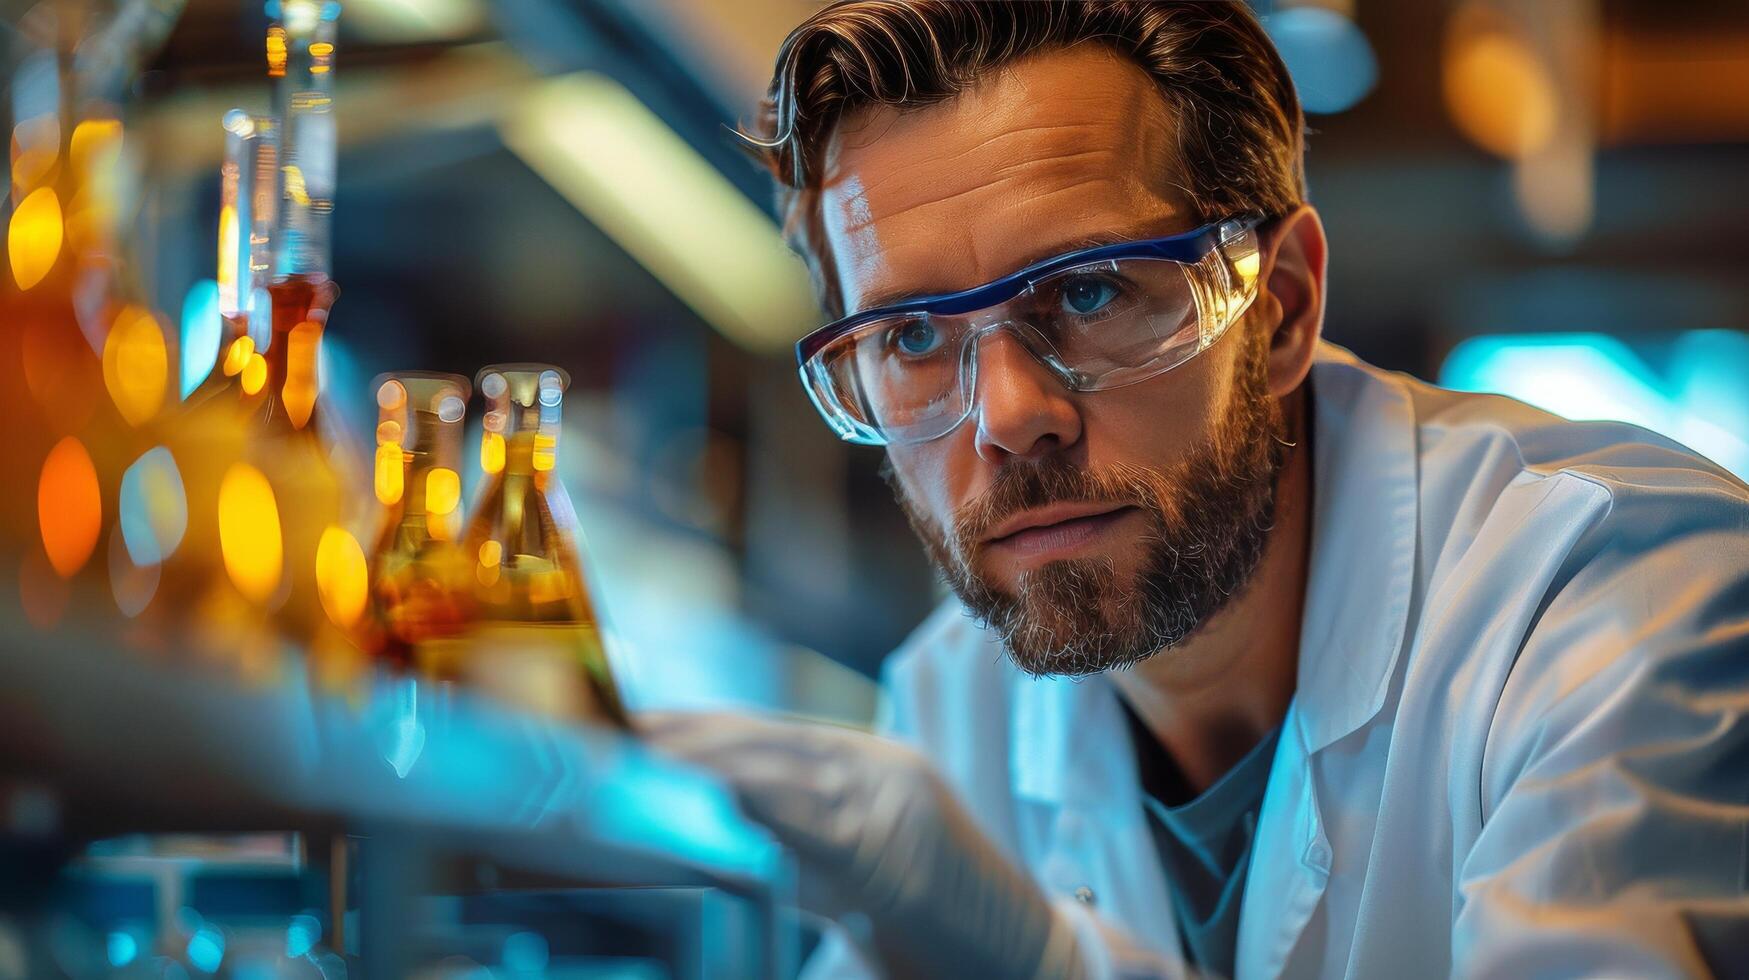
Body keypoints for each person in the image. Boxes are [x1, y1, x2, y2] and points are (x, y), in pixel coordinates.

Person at [643, 2, 1749, 977]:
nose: (1011, 414)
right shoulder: (952, 701)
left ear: (1283, 305)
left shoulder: (1616, 594)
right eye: (916, 334)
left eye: (1089, 289)